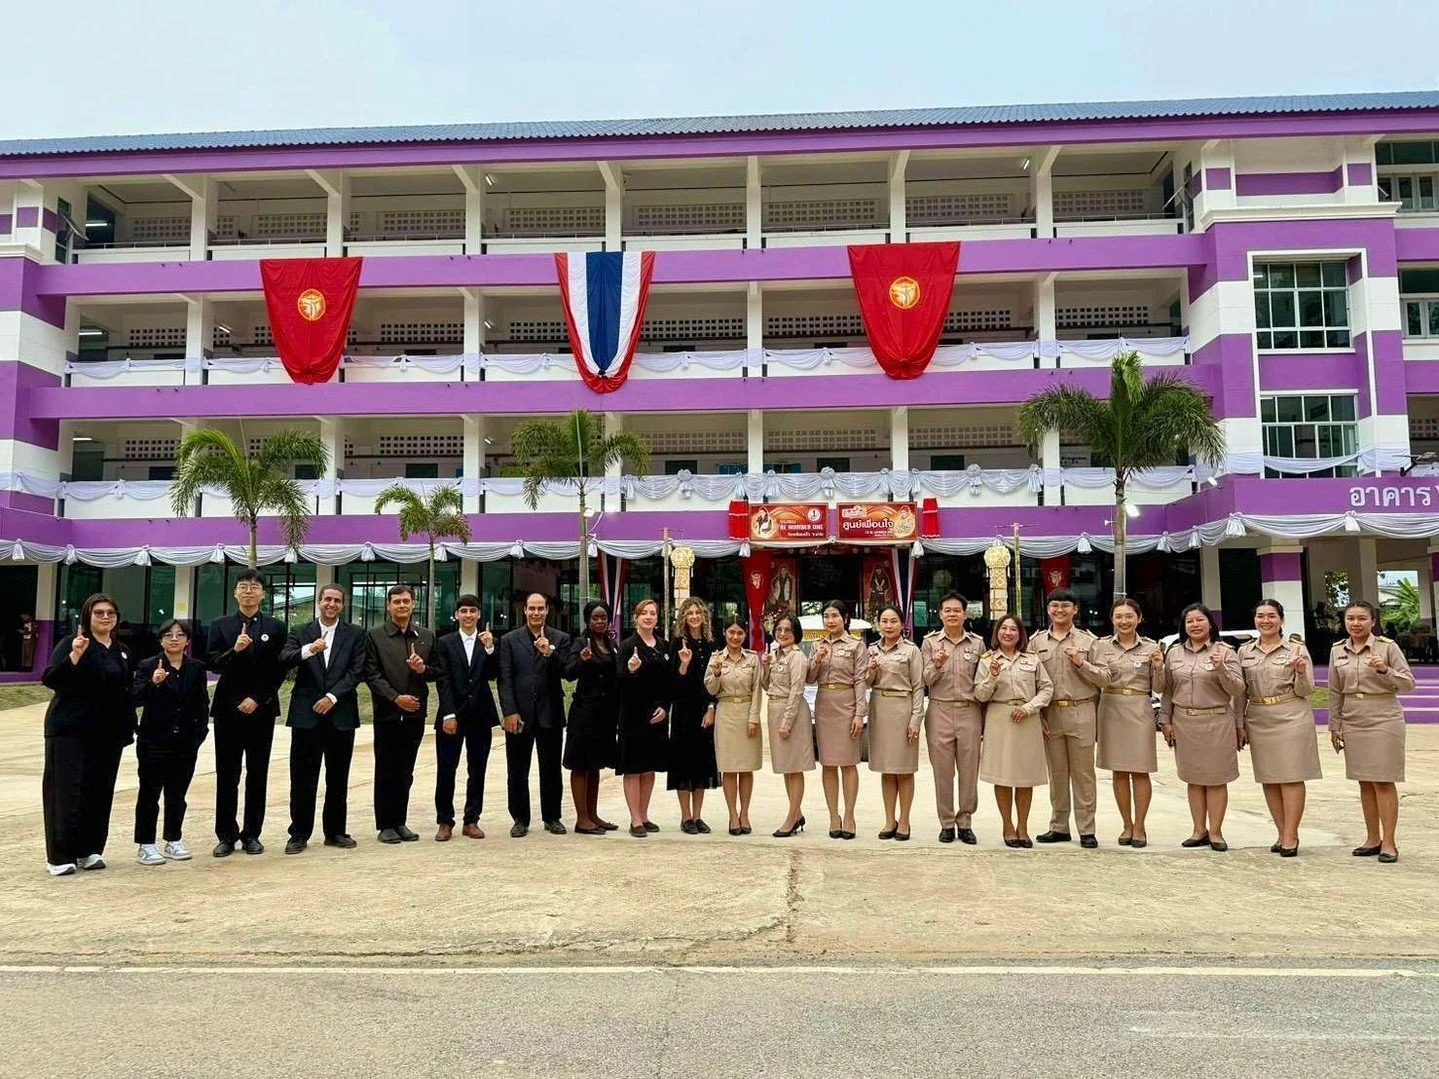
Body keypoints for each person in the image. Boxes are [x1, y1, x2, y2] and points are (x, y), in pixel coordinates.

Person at [41, 593, 135, 876]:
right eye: (99, 613)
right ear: (87, 617)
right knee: (66, 792)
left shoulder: (122, 650)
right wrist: (74, 656)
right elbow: (51, 679)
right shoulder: (73, 643)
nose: (105, 617)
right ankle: (60, 856)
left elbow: (125, 692)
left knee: (99, 791)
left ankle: (89, 850)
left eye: (110, 613)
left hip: (108, 734)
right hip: (70, 730)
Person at [206, 569, 287, 858]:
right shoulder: (221, 625)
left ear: (263, 594)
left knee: (257, 773)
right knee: (227, 774)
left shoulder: (276, 627)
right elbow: (213, 664)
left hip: (261, 710)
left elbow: (280, 671)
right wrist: (234, 650)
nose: (248, 591)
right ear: (236, 593)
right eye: (243, 586)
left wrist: (259, 698)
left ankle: (252, 833)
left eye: (254, 587)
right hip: (228, 709)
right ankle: (226, 835)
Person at [280, 584, 366, 853]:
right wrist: (309, 650)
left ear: (343, 605)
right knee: (303, 778)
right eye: (327, 599)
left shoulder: (354, 634)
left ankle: (335, 831)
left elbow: (356, 671)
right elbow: (285, 658)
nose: (331, 604)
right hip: (306, 717)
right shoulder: (300, 632)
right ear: (319, 602)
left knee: (338, 778)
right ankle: (299, 834)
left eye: (337, 600)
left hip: (340, 714)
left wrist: (332, 697)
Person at [1329, 600, 1415, 864]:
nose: (1355, 624)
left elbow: (1408, 683)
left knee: (1383, 780)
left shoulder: (1387, 648)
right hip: (1354, 718)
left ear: (1372, 621)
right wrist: (1335, 725)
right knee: (1364, 780)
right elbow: (1334, 690)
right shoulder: (1337, 650)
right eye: (1350, 618)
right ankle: (1372, 838)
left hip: (1383, 717)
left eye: (1361, 619)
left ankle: (1389, 842)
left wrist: (1384, 669)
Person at [1239, 599, 1321, 858]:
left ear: (1281, 620)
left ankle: (1291, 835)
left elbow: (1307, 690)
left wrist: (1299, 672)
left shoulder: (1296, 649)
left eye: (1271, 616)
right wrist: (1238, 722)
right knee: (1269, 778)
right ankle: (1281, 830)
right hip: (1258, 716)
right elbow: (1240, 692)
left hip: (1290, 716)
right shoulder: (1244, 652)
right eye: (1260, 616)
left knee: (1291, 776)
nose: (1266, 620)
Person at [1159, 603, 1244, 852]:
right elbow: (1167, 690)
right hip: (1185, 722)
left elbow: (1238, 689)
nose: (1195, 625)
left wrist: (1221, 668)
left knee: (1216, 779)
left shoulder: (1225, 652)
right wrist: (1165, 720)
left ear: (1210, 623)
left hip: (1217, 721)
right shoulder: (1174, 653)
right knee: (1194, 778)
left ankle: (1216, 832)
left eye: (1200, 620)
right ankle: (1199, 830)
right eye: (1190, 622)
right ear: (1183, 626)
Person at [1081, 598, 1163, 848]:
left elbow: (1159, 688)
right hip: (1111, 707)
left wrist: (1159, 668)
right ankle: (1126, 824)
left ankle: (1140, 825)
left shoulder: (1151, 647)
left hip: (1139, 709)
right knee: (1118, 770)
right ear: (1112, 620)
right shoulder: (1100, 646)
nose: (1124, 621)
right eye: (1119, 617)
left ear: (1139, 618)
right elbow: (1095, 680)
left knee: (1140, 770)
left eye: (1129, 616)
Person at [131, 618, 208, 866]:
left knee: (178, 793)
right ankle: (146, 844)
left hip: (185, 742)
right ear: (161, 639)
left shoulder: (195, 667)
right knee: (149, 793)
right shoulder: (147, 665)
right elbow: (135, 698)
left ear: (187, 640)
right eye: (168, 635)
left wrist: (199, 734)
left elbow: (201, 704)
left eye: (180, 635)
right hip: (154, 740)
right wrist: (154, 683)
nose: (174, 639)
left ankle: (173, 838)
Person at [1027, 588, 1100, 848]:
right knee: (1057, 773)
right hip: (1050, 713)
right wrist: (1038, 715)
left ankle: (1087, 829)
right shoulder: (1036, 642)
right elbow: (1029, 681)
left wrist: (1082, 663)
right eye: (1055, 606)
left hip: (1081, 710)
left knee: (1083, 773)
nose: (1060, 610)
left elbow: (1105, 678)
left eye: (1065, 606)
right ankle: (1059, 826)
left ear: (1075, 609)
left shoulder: (1089, 642)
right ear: (1048, 610)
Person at [364, 584, 436, 844]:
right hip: (387, 714)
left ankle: (400, 821)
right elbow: (371, 674)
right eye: (397, 602)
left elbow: (437, 671)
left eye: (406, 601)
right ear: (388, 606)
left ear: (413, 604)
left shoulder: (426, 635)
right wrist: (396, 698)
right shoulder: (375, 636)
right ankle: (385, 824)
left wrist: (422, 669)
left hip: (415, 714)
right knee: (386, 769)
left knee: (406, 770)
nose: (402, 606)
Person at [976, 613, 1053, 849]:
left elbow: (1047, 689)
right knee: (1003, 775)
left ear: (1020, 635)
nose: (1008, 633)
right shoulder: (987, 660)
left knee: (1024, 777)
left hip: (1027, 720)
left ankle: (1023, 827)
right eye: (1003, 628)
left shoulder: (1032, 659)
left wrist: (1030, 708)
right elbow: (979, 694)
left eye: (1013, 629)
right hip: (1000, 720)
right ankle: (1007, 826)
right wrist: (992, 676)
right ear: (997, 633)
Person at [498, 592, 571, 837]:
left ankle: (552, 817)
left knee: (550, 768)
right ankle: (520, 818)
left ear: (547, 611)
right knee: (517, 769)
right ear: (525, 610)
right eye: (532, 608)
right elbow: (505, 678)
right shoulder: (509, 640)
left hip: (549, 712)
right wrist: (509, 711)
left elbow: (566, 671)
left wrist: (549, 652)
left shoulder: (560, 639)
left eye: (541, 608)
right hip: (520, 714)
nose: (536, 613)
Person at [432, 594, 498, 842]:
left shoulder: (488, 642)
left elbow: (494, 674)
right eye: (464, 611)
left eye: (473, 611)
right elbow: (443, 680)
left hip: (480, 715)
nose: (468, 615)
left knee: (477, 770)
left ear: (479, 614)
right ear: (456, 615)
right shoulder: (445, 643)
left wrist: (491, 648)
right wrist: (448, 713)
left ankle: (471, 819)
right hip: (453, 714)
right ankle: (445, 820)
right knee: (446, 769)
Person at [920, 592, 985, 845]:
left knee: (969, 769)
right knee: (943, 771)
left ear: (965, 614)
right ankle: (946, 822)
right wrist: (936, 665)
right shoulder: (930, 643)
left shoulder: (977, 644)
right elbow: (924, 679)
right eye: (947, 610)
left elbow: (982, 680)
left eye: (956, 610)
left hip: (969, 710)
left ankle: (965, 820)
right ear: (940, 614)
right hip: (940, 709)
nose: (952, 614)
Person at [864, 604, 924, 841]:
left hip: (903, 708)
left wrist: (915, 719)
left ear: (902, 624)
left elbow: (919, 686)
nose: (888, 626)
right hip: (880, 707)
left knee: (904, 768)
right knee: (887, 769)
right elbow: (866, 683)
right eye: (884, 621)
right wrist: (870, 671)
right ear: (879, 624)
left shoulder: (912, 651)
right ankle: (890, 819)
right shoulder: (871, 650)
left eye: (893, 621)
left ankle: (905, 820)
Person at [807, 599, 865, 841]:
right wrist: (817, 659)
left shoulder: (856, 645)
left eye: (835, 616)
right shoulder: (816, 645)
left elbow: (861, 679)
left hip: (847, 702)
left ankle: (849, 815)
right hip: (824, 704)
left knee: (849, 763)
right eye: (827, 616)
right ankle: (833, 815)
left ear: (845, 618)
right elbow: (809, 678)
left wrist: (859, 713)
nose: (830, 620)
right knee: (829, 763)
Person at [563, 601, 620, 835]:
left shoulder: (610, 643)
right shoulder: (579, 643)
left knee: (595, 765)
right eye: (595, 618)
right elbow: (567, 673)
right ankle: (582, 819)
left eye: (603, 618)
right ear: (587, 620)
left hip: (605, 714)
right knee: (580, 765)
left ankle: (593, 814)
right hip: (584, 713)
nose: (599, 622)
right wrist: (581, 661)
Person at [617, 598, 671, 836]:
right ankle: (635, 819)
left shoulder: (664, 646)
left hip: (657, 715)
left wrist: (665, 706)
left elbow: (670, 683)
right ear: (636, 617)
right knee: (633, 768)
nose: (648, 617)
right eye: (644, 613)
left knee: (649, 768)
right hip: (633, 714)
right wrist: (630, 671)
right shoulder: (628, 646)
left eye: (652, 613)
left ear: (657, 618)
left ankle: (645, 814)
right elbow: (618, 683)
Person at [704, 617, 762, 836]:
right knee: (729, 768)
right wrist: (717, 674)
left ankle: (745, 813)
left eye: (739, 633)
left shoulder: (753, 659)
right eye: (731, 632)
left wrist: (754, 717)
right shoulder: (716, 658)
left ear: (745, 635)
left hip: (747, 712)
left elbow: (757, 689)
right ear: (724, 633)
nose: (735, 637)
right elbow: (710, 689)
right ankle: (732, 815)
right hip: (726, 714)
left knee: (746, 768)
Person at [668, 597, 720, 833]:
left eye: (698, 612)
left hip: (704, 708)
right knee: (683, 761)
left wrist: (711, 708)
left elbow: (717, 682)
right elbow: (672, 682)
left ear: (704, 616)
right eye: (689, 613)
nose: (694, 617)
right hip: (683, 709)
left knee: (702, 761)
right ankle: (685, 816)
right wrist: (684, 665)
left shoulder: (711, 643)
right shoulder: (678, 643)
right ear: (684, 617)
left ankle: (698, 816)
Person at [761, 612, 813, 837]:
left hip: (791, 714)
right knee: (785, 766)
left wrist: (787, 721)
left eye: (788, 630)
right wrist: (765, 666)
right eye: (779, 629)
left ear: (796, 633)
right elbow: (765, 685)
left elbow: (797, 690)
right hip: (775, 710)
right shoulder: (775, 655)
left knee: (794, 767)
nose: (782, 634)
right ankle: (797, 811)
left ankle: (792, 817)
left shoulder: (797, 657)